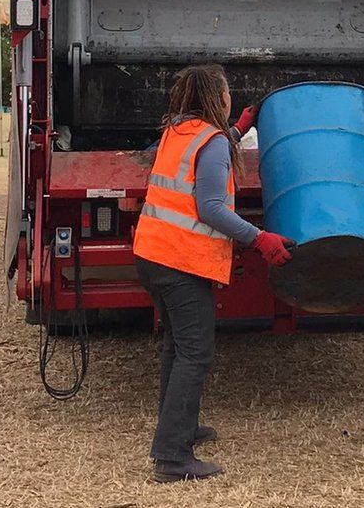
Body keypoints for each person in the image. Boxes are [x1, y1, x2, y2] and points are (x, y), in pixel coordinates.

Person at [132, 64, 295, 483]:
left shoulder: (179, 130)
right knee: (195, 353)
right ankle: (172, 457)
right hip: (181, 262)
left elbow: (197, 164)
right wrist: (260, 239)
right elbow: (210, 207)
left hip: (153, 255)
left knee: (177, 346)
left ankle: (181, 429)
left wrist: (238, 128)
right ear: (214, 99)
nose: (229, 98)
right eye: (226, 93)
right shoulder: (213, 141)